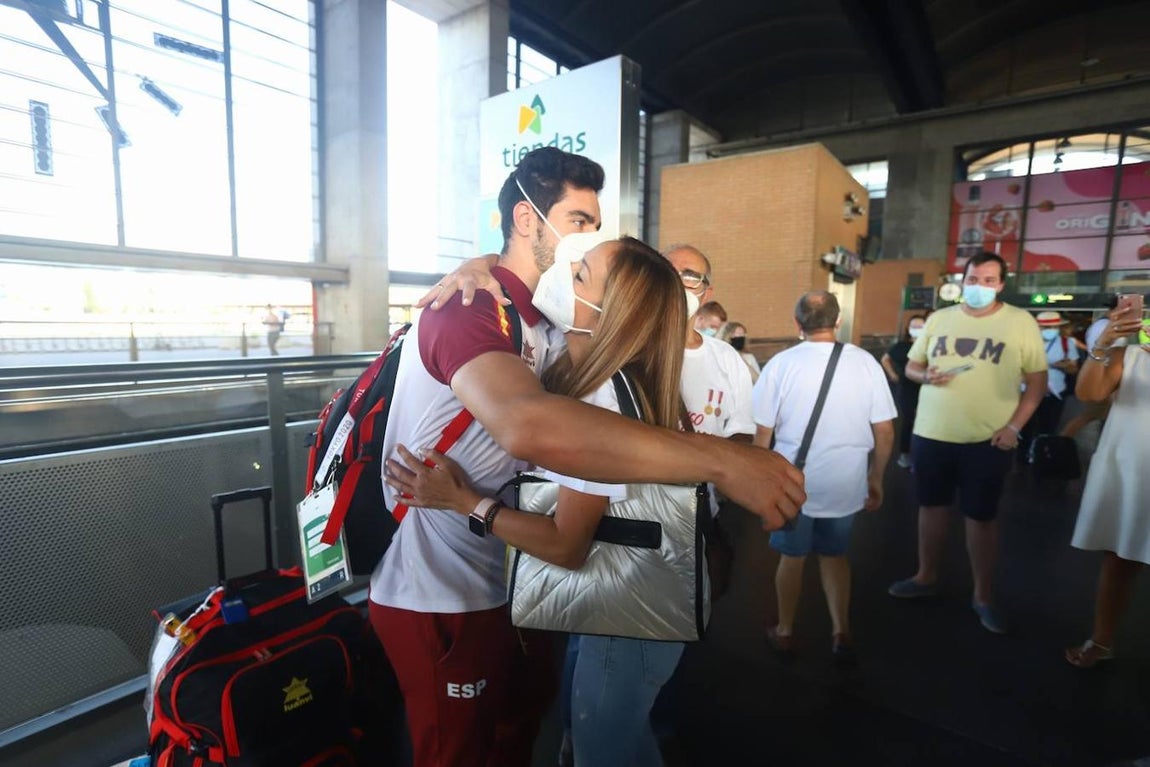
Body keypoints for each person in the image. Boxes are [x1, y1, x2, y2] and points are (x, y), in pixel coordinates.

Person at [367, 147, 805, 767]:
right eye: (578, 222)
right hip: (444, 589)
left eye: (594, 229)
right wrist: (723, 460)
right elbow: (524, 422)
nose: (586, 240)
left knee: (533, 733)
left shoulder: (552, 331)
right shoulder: (475, 308)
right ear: (528, 221)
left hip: (517, 583)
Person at [386, 234, 690, 767]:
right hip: (628, 611)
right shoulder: (595, 378)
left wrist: (465, 501)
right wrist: (477, 265)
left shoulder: (602, 400)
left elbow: (567, 544)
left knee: (605, 751)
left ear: (609, 311)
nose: (562, 274)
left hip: (625, 622)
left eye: (579, 275)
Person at [887, 252, 1047, 634]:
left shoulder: (1019, 322)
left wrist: (1014, 428)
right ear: (963, 280)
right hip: (931, 433)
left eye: (989, 280)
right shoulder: (940, 319)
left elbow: (1037, 383)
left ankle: (983, 595)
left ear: (1001, 284)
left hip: (987, 439)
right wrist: (925, 376)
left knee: (981, 518)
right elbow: (911, 365)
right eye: (973, 279)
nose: (979, 287)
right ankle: (926, 576)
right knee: (931, 507)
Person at [754, 291, 896, 659]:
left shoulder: (780, 365)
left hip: (793, 484)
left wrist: (759, 486)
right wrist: (875, 478)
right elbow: (885, 432)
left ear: (797, 324)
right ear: (838, 322)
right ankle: (841, 631)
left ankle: (785, 630)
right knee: (835, 556)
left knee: (793, 557)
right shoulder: (866, 364)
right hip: (846, 483)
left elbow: (762, 437)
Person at [1064, 305, 1149, 667]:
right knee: (1119, 557)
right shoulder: (1131, 354)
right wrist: (1106, 341)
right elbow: (1089, 393)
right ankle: (1101, 640)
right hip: (1134, 466)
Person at [1018, 310, 1080, 460]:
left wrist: (1065, 366)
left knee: (1048, 427)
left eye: (1053, 327)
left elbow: (1074, 368)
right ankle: (1023, 457)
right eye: (1046, 328)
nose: (1050, 331)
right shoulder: (1025, 342)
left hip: (1055, 393)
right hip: (1028, 392)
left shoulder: (1067, 343)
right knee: (1025, 426)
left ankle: (1042, 456)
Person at [880, 312, 929, 469]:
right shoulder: (901, 346)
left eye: (921, 326)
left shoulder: (931, 345)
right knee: (909, 420)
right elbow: (885, 359)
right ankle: (905, 454)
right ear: (908, 328)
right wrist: (893, 375)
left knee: (925, 422)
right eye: (914, 326)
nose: (917, 329)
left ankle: (922, 456)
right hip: (907, 388)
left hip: (927, 388)